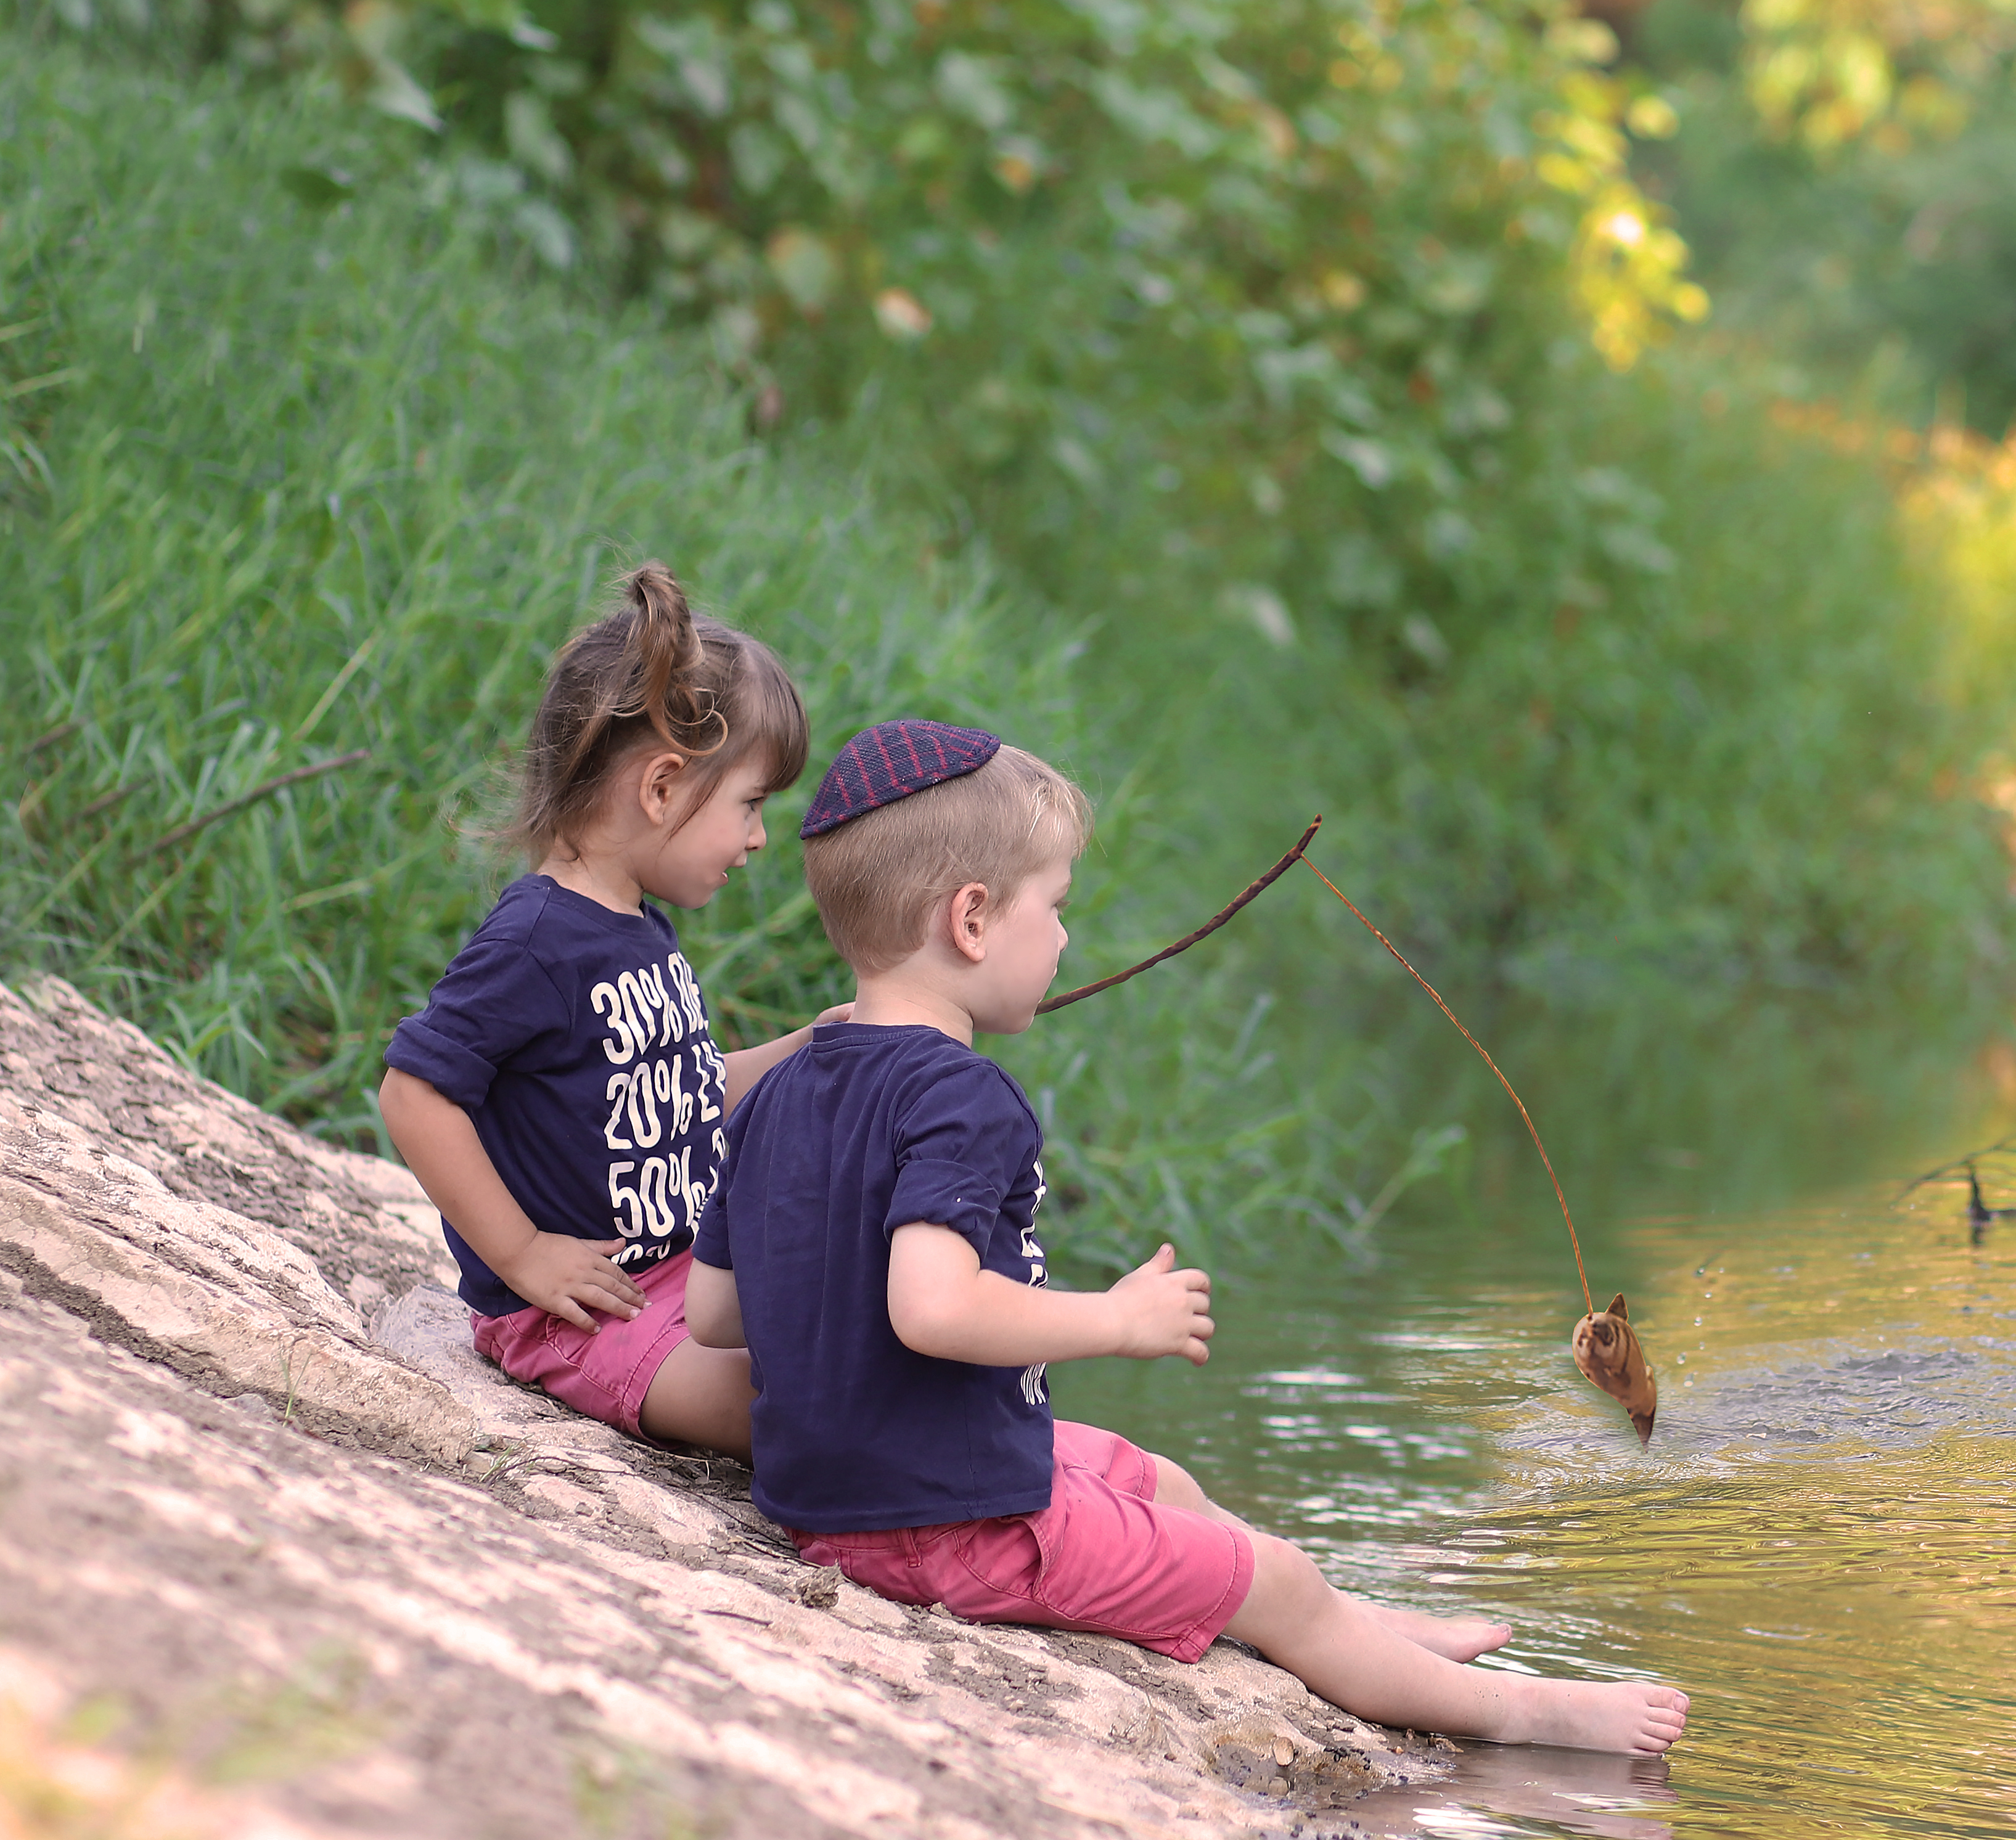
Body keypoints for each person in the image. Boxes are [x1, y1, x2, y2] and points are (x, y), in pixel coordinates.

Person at [687, 722, 1689, 1755]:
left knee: (1159, 1480)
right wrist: (1115, 1319)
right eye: (1058, 908)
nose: (1067, 940)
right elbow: (931, 1307)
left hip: (835, 1497)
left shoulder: (783, 1088)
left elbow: (714, 1315)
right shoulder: (960, 1095)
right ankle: (1528, 1715)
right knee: (1282, 1582)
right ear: (973, 920)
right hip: (948, 1532)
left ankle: (1361, 1627)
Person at [377, 564, 845, 1458]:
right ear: (662, 787)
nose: (756, 839)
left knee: (848, 1336)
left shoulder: (639, 929)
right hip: (581, 1314)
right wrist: (520, 1255)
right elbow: (414, 1093)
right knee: (799, 1406)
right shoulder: (536, 939)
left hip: (678, 1284)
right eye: (750, 804)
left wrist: (813, 1045)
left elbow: (687, 1092)